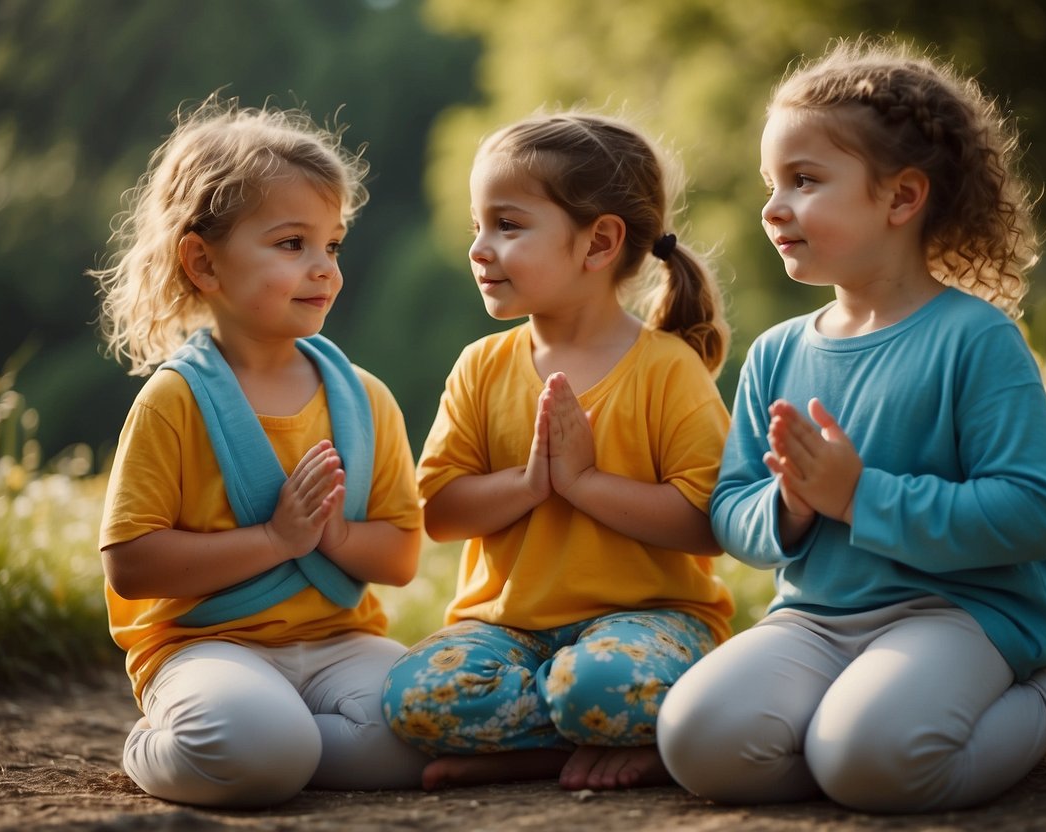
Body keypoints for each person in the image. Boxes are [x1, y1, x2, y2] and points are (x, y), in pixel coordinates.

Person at [656, 38, 1046, 813]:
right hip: (817, 619)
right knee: (695, 739)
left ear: (899, 198)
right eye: (771, 183)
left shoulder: (974, 339)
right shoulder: (778, 350)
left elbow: (1028, 514)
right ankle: (853, 757)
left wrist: (859, 496)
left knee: (873, 761)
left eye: (805, 180)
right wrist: (787, 507)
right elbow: (730, 509)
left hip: (959, 615)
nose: (774, 206)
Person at [89, 95, 428, 808]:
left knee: (434, 724)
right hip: (210, 647)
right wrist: (276, 539)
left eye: (331, 244)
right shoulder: (175, 401)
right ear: (203, 263)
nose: (324, 269)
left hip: (341, 643)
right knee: (264, 745)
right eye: (290, 244)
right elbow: (132, 562)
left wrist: (331, 534)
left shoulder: (366, 401)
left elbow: (398, 557)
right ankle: (177, 742)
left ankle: (269, 745)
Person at [381, 111, 735, 792]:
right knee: (412, 696)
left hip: (651, 624)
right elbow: (441, 511)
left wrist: (584, 482)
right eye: (476, 227)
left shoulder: (667, 368)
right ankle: (577, 743)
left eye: (507, 226)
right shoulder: (481, 365)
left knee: (600, 682)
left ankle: (588, 735)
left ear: (598, 242)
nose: (479, 249)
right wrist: (530, 484)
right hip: (507, 632)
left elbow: (705, 523)